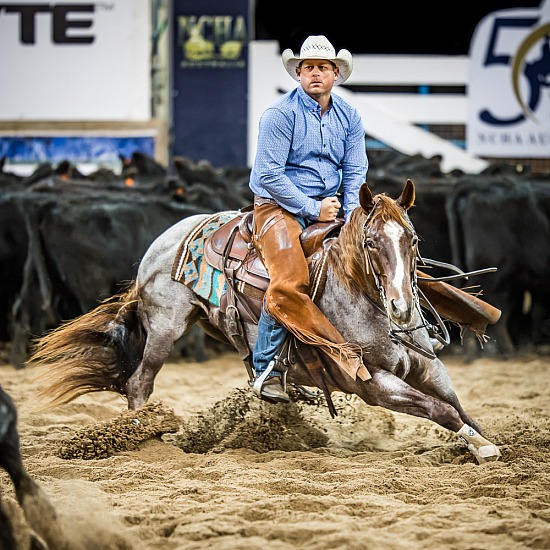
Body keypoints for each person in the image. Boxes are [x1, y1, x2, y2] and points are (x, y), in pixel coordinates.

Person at [248, 35, 371, 403]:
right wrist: (312, 208)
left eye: (323, 67)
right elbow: (268, 173)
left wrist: (351, 217)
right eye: (308, 68)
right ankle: (265, 368)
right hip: (278, 207)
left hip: (332, 207)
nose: (316, 73)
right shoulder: (280, 115)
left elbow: (355, 170)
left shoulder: (349, 116)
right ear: (298, 74)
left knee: (379, 254)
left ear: (336, 74)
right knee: (290, 279)